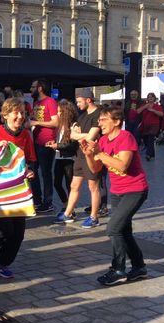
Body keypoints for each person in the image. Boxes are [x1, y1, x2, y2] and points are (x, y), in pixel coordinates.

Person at [80, 107, 149, 285]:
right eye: (100, 120)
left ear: (117, 121)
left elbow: (122, 165)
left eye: (104, 119)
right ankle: (139, 266)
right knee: (124, 230)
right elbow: (95, 169)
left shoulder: (126, 137)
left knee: (113, 229)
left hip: (135, 190)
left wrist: (99, 153)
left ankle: (118, 269)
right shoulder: (103, 140)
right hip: (117, 191)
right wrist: (89, 155)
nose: (100, 123)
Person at [0, 98, 36, 279]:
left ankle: (0, 263)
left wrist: (30, 171)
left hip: (18, 192)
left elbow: (30, 161)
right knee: (4, 231)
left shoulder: (26, 136)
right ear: (5, 115)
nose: (20, 116)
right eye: (16, 112)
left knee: (18, 234)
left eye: (22, 112)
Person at [54, 88, 102, 227]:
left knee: (93, 187)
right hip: (80, 155)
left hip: (92, 156)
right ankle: (67, 214)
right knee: (74, 185)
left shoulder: (98, 114)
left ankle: (94, 217)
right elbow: (73, 135)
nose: (78, 104)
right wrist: (81, 136)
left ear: (88, 100)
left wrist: (80, 135)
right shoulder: (82, 116)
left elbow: (90, 137)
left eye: (80, 101)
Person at [29, 79, 59, 213]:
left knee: (46, 173)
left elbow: (55, 123)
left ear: (40, 88)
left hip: (47, 143)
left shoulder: (50, 102)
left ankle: (48, 202)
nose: (31, 89)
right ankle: (37, 200)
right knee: (33, 172)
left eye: (33, 87)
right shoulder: (36, 103)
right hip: (35, 142)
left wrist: (36, 122)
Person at [46, 100, 78, 214]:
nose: (58, 114)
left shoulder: (73, 125)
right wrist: (54, 142)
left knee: (70, 185)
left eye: (60, 111)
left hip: (69, 159)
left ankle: (70, 210)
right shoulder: (60, 125)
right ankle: (66, 205)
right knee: (57, 183)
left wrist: (58, 145)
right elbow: (61, 140)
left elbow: (73, 144)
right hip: (59, 157)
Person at [136, 92, 163, 161]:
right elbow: (138, 111)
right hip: (145, 125)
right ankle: (152, 154)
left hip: (154, 125)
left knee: (151, 138)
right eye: (149, 97)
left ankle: (148, 154)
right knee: (146, 140)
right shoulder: (144, 105)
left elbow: (161, 114)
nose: (150, 98)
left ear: (154, 98)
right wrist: (145, 107)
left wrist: (152, 110)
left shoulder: (157, 106)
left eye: (151, 97)